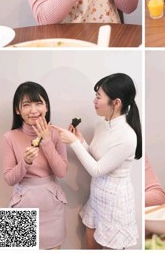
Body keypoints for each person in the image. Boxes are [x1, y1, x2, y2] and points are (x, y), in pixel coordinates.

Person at [52, 73, 142, 250]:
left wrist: (74, 142)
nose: (94, 100)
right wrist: (81, 141)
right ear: (18, 109)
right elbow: (96, 157)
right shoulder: (102, 124)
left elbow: (97, 169)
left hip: (115, 203)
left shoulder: (127, 136)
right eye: (26, 105)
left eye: (98, 96)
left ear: (116, 103)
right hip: (96, 196)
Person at [1, 82, 67, 250]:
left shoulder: (55, 134)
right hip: (22, 203)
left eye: (38, 103)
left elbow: (61, 172)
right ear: (18, 110)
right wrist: (25, 162)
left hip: (51, 207)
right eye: (26, 105)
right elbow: (9, 179)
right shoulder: (9, 137)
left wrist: (46, 142)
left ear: (46, 106)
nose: (33, 110)